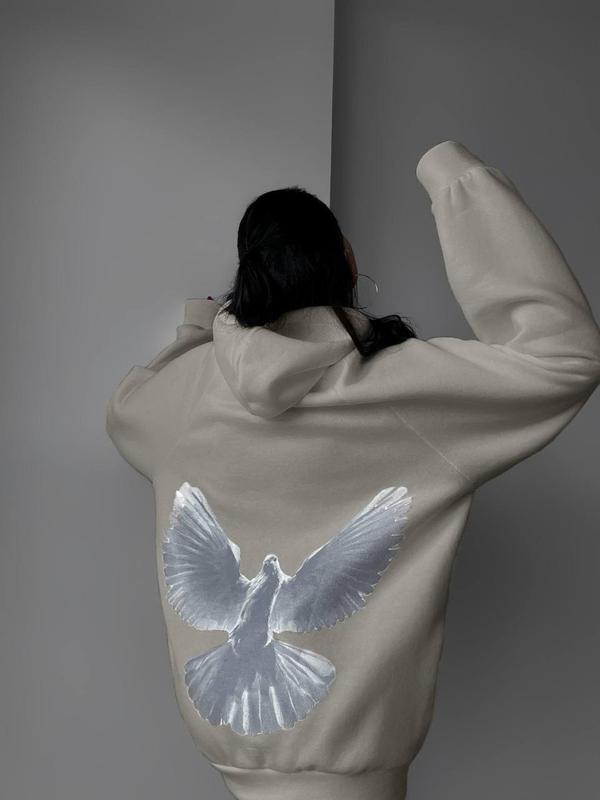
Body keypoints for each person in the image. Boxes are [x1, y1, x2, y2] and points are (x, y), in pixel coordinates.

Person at [106, 140, 600, 800]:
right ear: (345, 261)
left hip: (229, 754)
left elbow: (127, 409)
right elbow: (564, 357)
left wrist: (202, 331)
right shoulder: (404, 392)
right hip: (362, 772)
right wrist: (457, 180)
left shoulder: (187, 399)